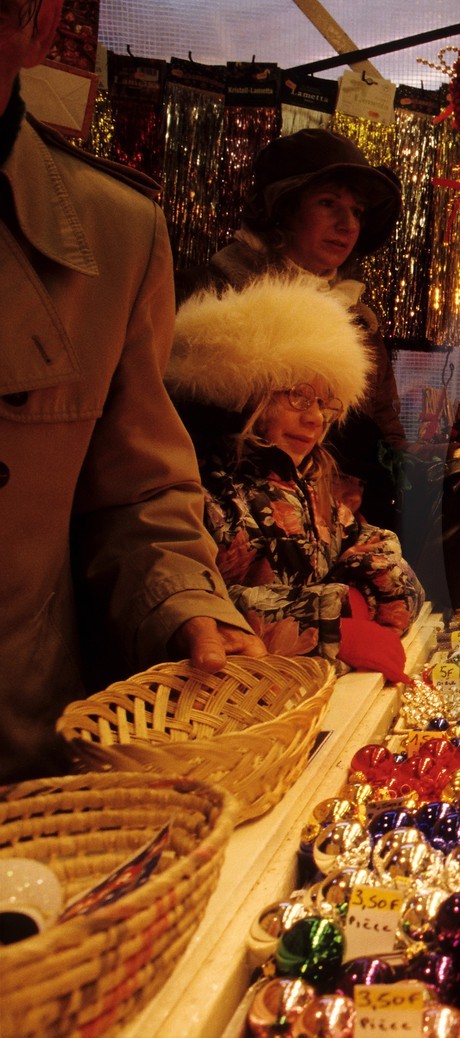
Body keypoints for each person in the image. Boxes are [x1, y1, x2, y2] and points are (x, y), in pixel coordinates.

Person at [0, 0, 266, 783]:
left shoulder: (112, 233)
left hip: (21, 766)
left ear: (40, 26)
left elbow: (135, 489)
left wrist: (186, 605)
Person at [166, 273, 424, 682]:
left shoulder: (307, 485)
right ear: (246, 395)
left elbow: (369, 544)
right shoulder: (209, 496)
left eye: (324, 402)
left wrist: (363, 598)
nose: (316, 417)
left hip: (310, 701)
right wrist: (335, 621)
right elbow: (196, 610)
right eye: (298, 396)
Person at [178, 128, 409, 533]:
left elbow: (385, 428)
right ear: (282, 208)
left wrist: (373, 484)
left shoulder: (358, 323)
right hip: (215, 529)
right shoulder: (209, 297)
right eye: (328, 203)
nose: (347, 224)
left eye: (356, 211)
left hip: (330, 531)